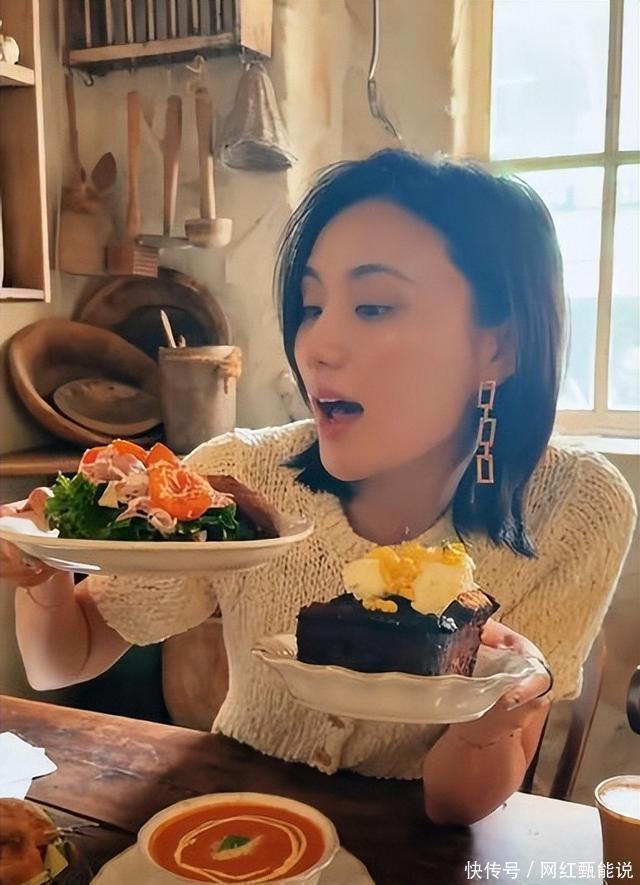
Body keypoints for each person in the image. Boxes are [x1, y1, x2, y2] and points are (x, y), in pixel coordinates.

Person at [2, 150, 636, 826]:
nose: (315, 347)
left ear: (499, 346)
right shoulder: (239, 479)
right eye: (310, 306)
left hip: (407, 843)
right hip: (234, 815)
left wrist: (496, 718)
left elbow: (456, 807)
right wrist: (41, 568)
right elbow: (62, 660)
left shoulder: (574, 507)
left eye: (373, 305)